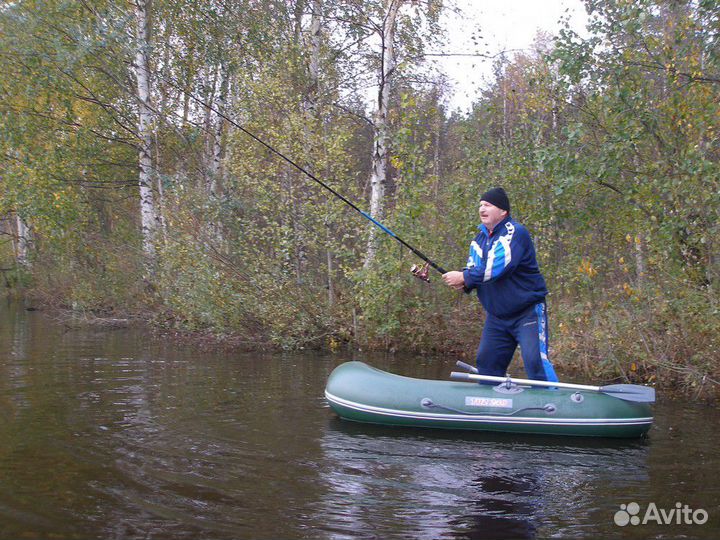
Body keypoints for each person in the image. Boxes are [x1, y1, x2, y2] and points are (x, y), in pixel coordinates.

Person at [442, 187, 558, 382]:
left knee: (535, 361)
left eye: (487, 205)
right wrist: (464, 284)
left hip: (527, 313)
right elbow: (473, 270)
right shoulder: (478, 240)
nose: (481, 209)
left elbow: (494, 268)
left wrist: (464, 277)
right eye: (480, 205)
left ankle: (556, 404)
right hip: (497, 317)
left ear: (503, 211)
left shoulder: (515, 233)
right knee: (487, 364)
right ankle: (489, 407)